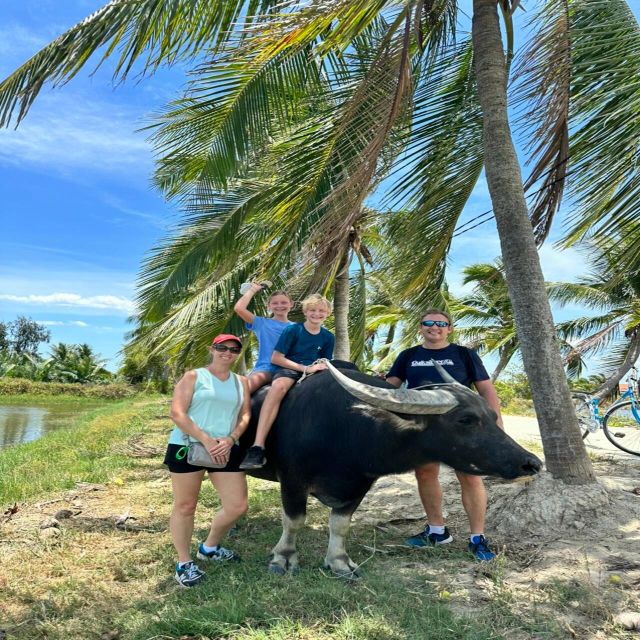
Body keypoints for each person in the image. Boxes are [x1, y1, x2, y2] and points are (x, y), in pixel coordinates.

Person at [385, 309, 503, 561]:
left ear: (449, 328)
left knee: (470, 477)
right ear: (420, 327)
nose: (434, 327)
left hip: (462, 427)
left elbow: (486, 390)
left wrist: (497, 425)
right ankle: (437, 531)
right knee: (425, 473)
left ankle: (477, 538)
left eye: (441, 323)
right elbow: (390, 388)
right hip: (424, 427)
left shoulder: (464, 354)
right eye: (428, 322)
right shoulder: (408, 356)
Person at [164, 334, 251, 587]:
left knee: (237, 506)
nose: (228, 352)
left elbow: (245, 415)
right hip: (187, 446)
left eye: (234, 349)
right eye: (222, 347)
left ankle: (209, 547)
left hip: (225, 448)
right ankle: (184, 562)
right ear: (212, 349)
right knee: (185, 506)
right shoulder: (194, 376)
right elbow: (177, 413)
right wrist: (205, 439)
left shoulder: (241, 382)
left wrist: (232, 437)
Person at [239, 293, 335, 469]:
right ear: (305, 311)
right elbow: (276, 358)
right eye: (312, 310)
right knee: (278, 387)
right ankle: (257, 446)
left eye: (321, 311)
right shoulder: (292, 330)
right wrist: (306, 369)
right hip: (290, 368)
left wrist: (320, 368)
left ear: (328, 313)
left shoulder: (328, 337)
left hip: (315, 370)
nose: (317, 314)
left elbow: (325, 360)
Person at [233, 283, 293, 393]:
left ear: (291, 304)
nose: (280, 305)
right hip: (266, 369)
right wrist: (253, 290)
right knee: (242, 391)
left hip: (291, 370)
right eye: (275, 303)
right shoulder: (261, 323)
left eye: (284, 302)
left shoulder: (298, 328)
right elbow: (239, 308)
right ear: (268, 306)